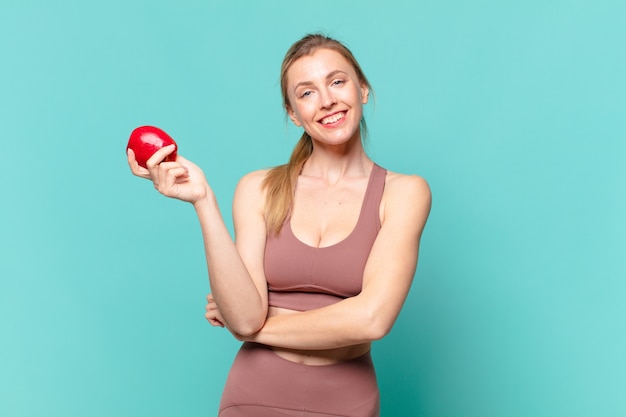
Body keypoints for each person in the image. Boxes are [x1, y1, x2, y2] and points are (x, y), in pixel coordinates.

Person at [127, 33, 431, 417]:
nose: (327, 100)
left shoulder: (404, 193)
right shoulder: (257, 188)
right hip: (253, 393)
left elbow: (371, 318)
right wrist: (202, 200)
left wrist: (251, 327)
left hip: (346, 402)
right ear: (293, 113)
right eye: (306, 93)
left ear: (363, 89)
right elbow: (244, 311)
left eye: (337, 81)